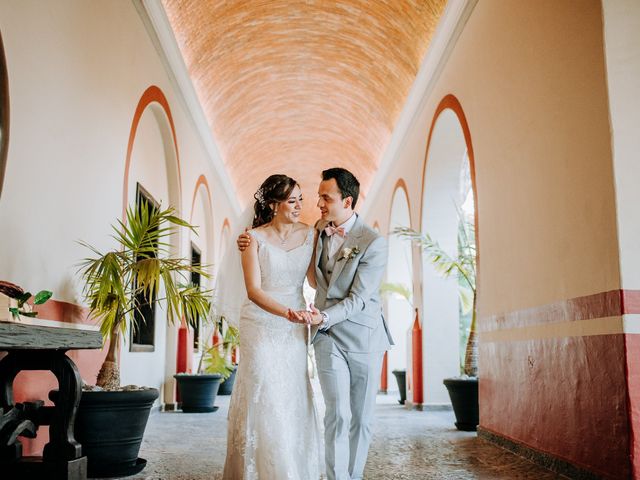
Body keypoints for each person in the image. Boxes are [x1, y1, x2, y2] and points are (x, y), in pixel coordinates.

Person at [238, 167, 394, 480]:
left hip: (363, 336)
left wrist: (318, 315)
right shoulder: (318, 229)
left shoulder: (373, 243)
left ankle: (353, 475)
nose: (317, 204)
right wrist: (251, 240)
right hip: (326, 335)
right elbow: (308, 276)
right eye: (316, 197)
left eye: (325, 197)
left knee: (361, 418)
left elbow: (359, 299)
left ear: (347, 201)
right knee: (336, 411)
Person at [222, 174, 321, 480]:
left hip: (292, 328)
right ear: (275, 205)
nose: (299, 206)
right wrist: (288, 312)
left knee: (290, 393)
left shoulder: (311, 235)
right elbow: (253, 290)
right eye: (292, 201)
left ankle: (291, 469)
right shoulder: (252, 239)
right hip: (261, 322)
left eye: (301, 200)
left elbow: (315, 282)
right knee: (263, 390)